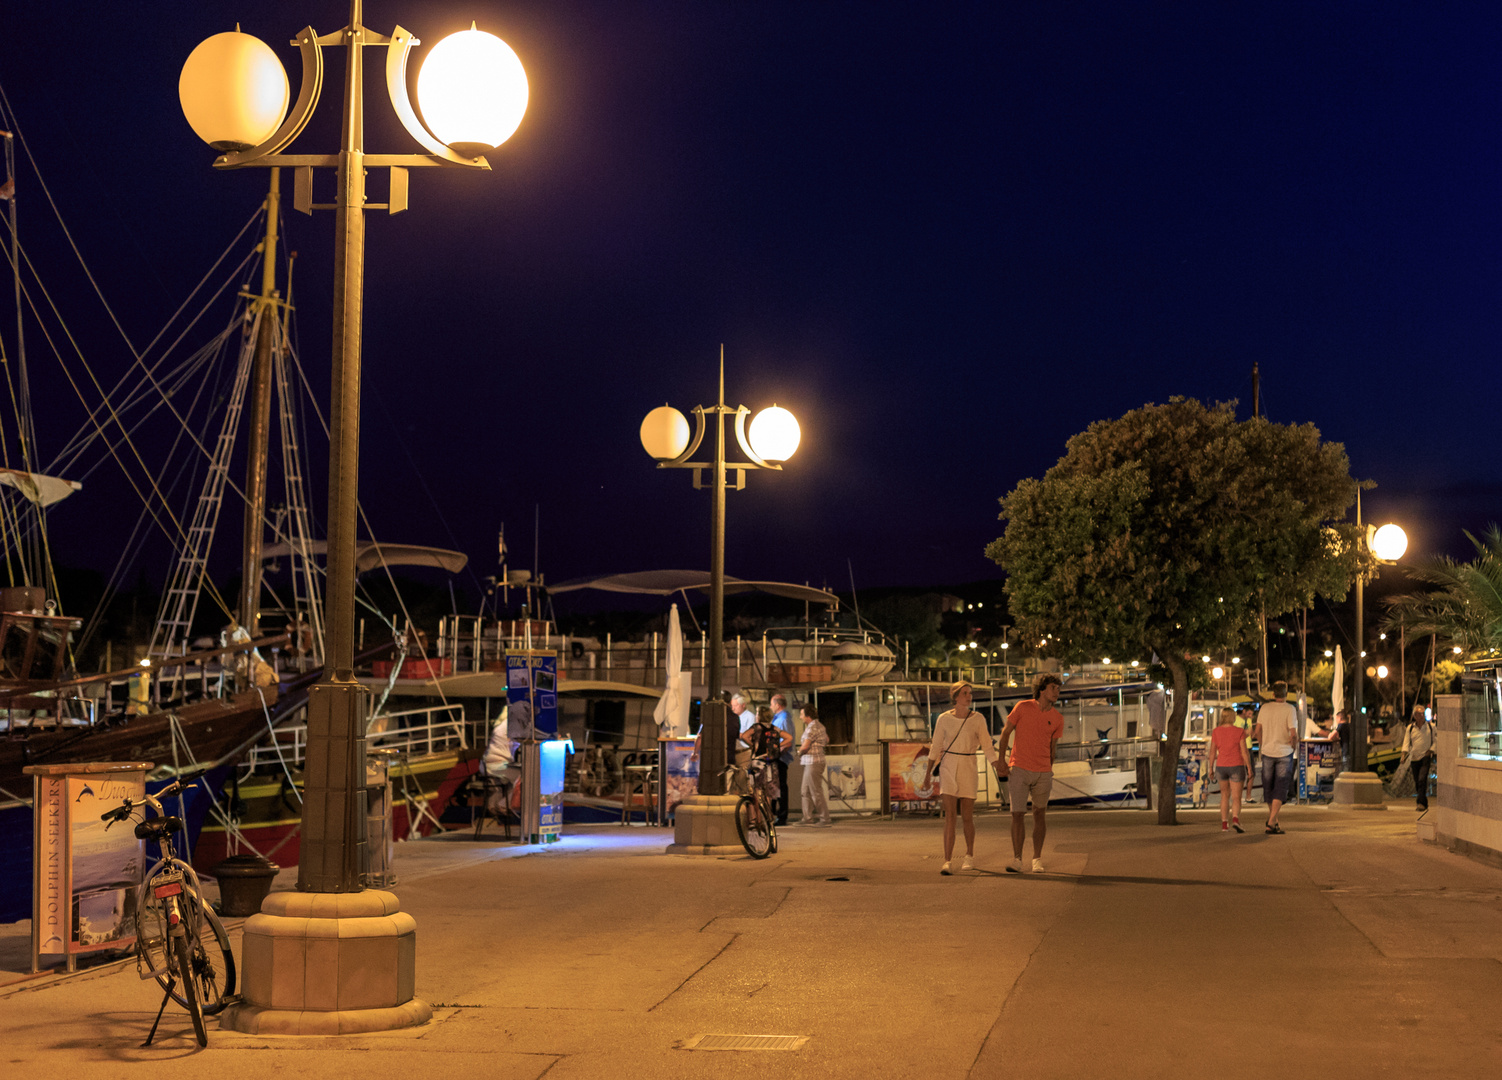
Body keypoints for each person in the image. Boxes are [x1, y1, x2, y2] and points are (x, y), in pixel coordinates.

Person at [922, 681, 998, 875]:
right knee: (949, 817)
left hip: (968, 765)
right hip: (948, 766)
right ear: (955, 697)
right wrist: (927, 776)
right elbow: (935, 747)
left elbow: (987, 745)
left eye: (970, 693)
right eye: (964, 693)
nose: (968, 696)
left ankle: (969, 855)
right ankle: (947, 861)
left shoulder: (978, 718)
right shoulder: (943, 719)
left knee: (967, 816)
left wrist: (997, 764)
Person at [996, 673, 1064, 873]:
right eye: (1054, 688)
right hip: (1019, 768)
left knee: (1039, 814)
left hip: (1043, 771)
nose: (1057, 692)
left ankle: (1037, 859)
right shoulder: (1023, 707)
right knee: (1017, 814)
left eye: (1059, 689)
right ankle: (1017, 859)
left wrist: (1048, 769)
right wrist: (1002, 761)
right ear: (1042, 689)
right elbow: (1005, 733)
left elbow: (1053, 748)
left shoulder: (1057, 718)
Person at [1254, 681, 1299, 834]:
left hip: (1267, 751)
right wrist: (1294, 745)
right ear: (1286, 694)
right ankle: (1272, 821)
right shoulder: (1290, 709)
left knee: (1269, 787)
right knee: (1281, 786)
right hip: (1284, 752)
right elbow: (1293, 733)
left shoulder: (1264, 708)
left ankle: (1273, 821)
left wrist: (1262, 744)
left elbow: (1257, 730)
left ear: (1273, 694)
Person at [739, 705, 792, 826]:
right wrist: (777, 745)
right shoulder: (774, 728)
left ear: (759, 715)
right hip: (771, 764)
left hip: (757, 763)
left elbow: (744, 736)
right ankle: (766, 819)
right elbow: (789, 738)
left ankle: (755, 819)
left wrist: (753, 744)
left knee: (755, 791)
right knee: (768, 794)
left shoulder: (756, 727)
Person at [1206, 709, 1251, 833]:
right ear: (1233, 717)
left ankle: (1224, 824)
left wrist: (1210, 768)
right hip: (1236, 765)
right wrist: (1249, 768)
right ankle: (1235, 819)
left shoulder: (1216, 731)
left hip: (1221, 766)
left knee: (1224, 796)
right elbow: (1244, 751)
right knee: (1236, 797)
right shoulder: (1239, 731)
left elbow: (1212, 751)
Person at [796, 703, 831, 826]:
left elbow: (805, 746)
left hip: (813, 762)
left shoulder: (812, 728)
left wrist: (799, 752)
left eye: (801, 714)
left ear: (807, 715)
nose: (800, 717)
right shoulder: (819, 725)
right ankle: (807, 817)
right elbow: (827, 739)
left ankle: (824, 819)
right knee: (805, 791)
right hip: (813, 762)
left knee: (815, 791)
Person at [1401, 704, 1435, 811]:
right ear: (1414, 715)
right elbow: (1406, 742)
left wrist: (1431, 751)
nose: (1421, 716)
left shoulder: (1431, 727)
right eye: (1418, 714)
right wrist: (1403, 755)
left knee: (1422, 779)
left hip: (1425, 757)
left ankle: (1420, 803)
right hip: (1414, 758)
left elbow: (1436, 740)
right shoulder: (1410, 728)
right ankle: (1423, 802)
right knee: (1417, 781)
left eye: (1422, 713)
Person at [770, 693, 795, 825]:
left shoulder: (783, 719)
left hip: (781, 758)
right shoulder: (780, 718)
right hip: (778, 757)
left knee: (781, 787)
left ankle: (782, 816)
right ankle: (776, 814)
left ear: (778, 705)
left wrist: (777, 755)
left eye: (772, 704)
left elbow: (787, 742)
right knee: (776, 787)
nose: (771, 707)